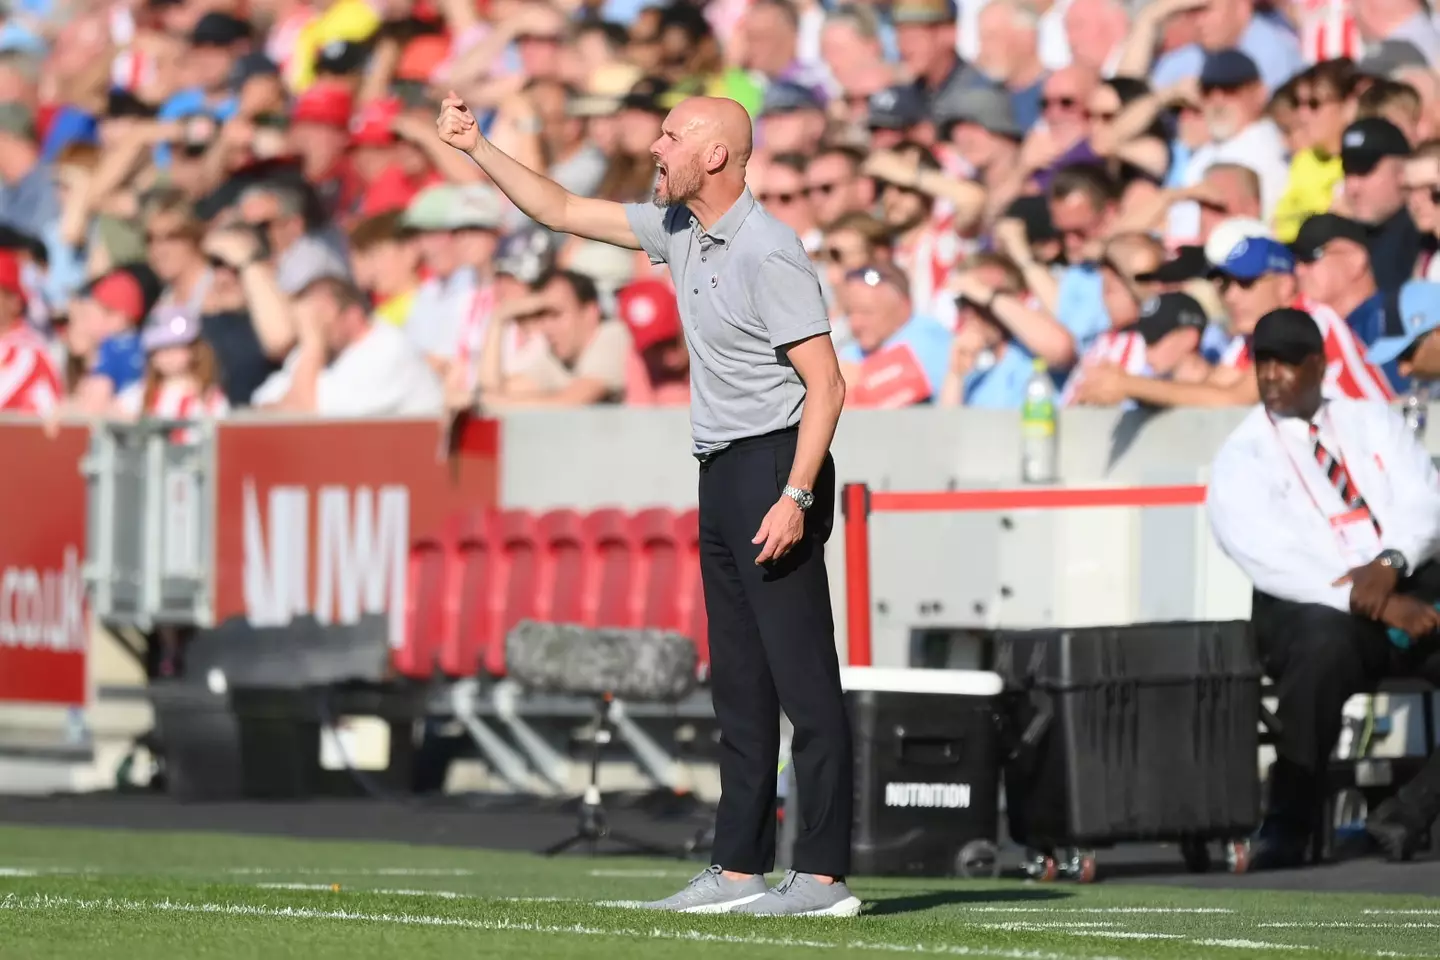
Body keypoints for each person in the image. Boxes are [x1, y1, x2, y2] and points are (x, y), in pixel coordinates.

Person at [437, 90, 858, 917]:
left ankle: (823, 878)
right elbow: (557, 208)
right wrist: (477, 147)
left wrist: (796, 495)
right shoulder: (678, 230)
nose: (654, 146)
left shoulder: (769, 250)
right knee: (739, 686)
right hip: (721, 469)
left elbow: (827, 385)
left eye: (671, 135)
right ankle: (736, 870)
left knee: (805, 685)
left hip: (777, 468)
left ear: (715, 156)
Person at [1207, 307, 1440, 868]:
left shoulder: (1370, 420)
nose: (1271, 376)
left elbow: (1424, 501)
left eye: (1287, 363)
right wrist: (1374, 601)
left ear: (1320, 365)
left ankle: (1407, 814)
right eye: (1263, 362)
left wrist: (1389, 564)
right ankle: (1288, 824)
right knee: (1323, 644)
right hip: (1312, 603)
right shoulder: (1242, 455)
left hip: (1397, 581)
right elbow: (1271, 560)